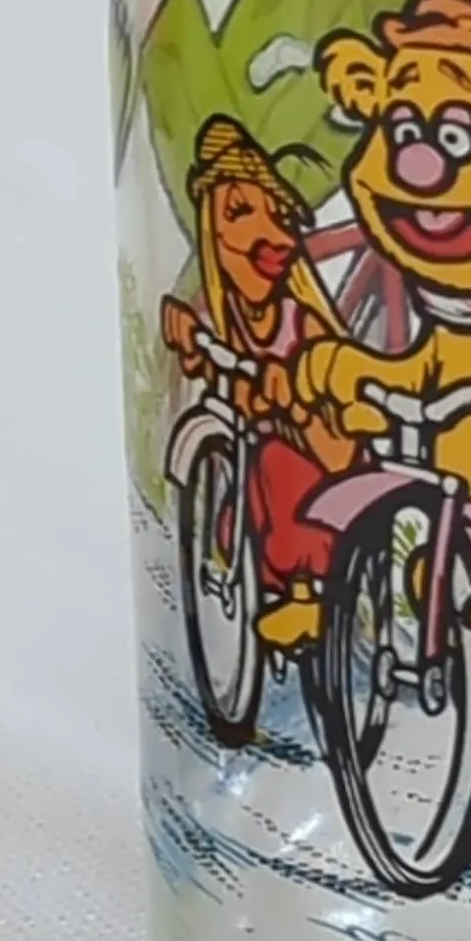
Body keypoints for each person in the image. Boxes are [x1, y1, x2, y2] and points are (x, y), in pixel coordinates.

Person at [164, 116, 354, 653]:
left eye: (278, 216)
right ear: (212, 230)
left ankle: (308, 594)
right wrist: (187, 335)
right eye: (239, 213)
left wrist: (297, 390)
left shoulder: (302, 322)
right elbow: (214, 369)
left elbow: (340, 434)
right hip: (255, 489)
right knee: (257, 477)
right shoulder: (231, 321)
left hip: (318, 472)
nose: (269, 234)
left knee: (278, 461)